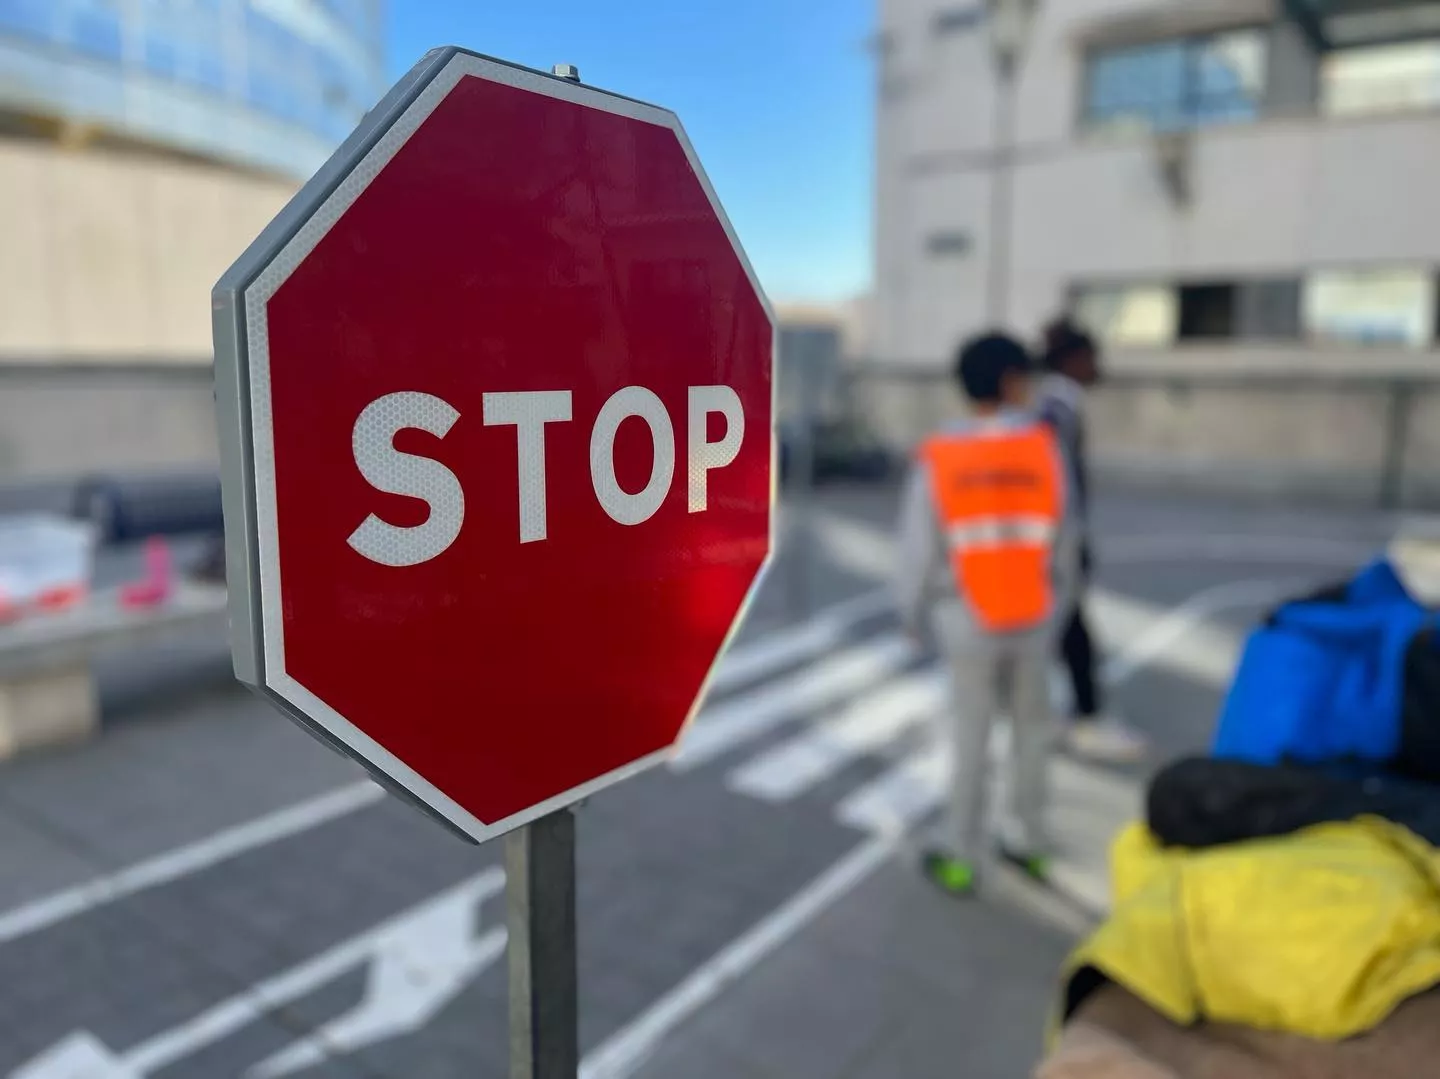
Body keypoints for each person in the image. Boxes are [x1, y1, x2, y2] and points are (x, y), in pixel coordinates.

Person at [896, 332, 1079, 896]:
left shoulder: (941, 455)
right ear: (1010, 381)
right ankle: (1031, 842)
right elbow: (1068, 541)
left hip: (966, 617)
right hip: (1034, 616)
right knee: (1032, 733)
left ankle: (960, 854)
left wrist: (911, 615)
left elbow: (917, 549)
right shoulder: (1044, 448)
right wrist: (1061, 606)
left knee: (971, 737)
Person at [1035, 318, 1148, 764]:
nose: (1097, 367)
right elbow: (1058, 486)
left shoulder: (1058, 406)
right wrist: (1069, 541)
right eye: (1091, 358)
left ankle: (1071, 714)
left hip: (1058, 538)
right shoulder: (1056, 410)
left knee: (1067, 630)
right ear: (1072, 360)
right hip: (1057, 541)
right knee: (1070, 631)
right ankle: (1083, 718)